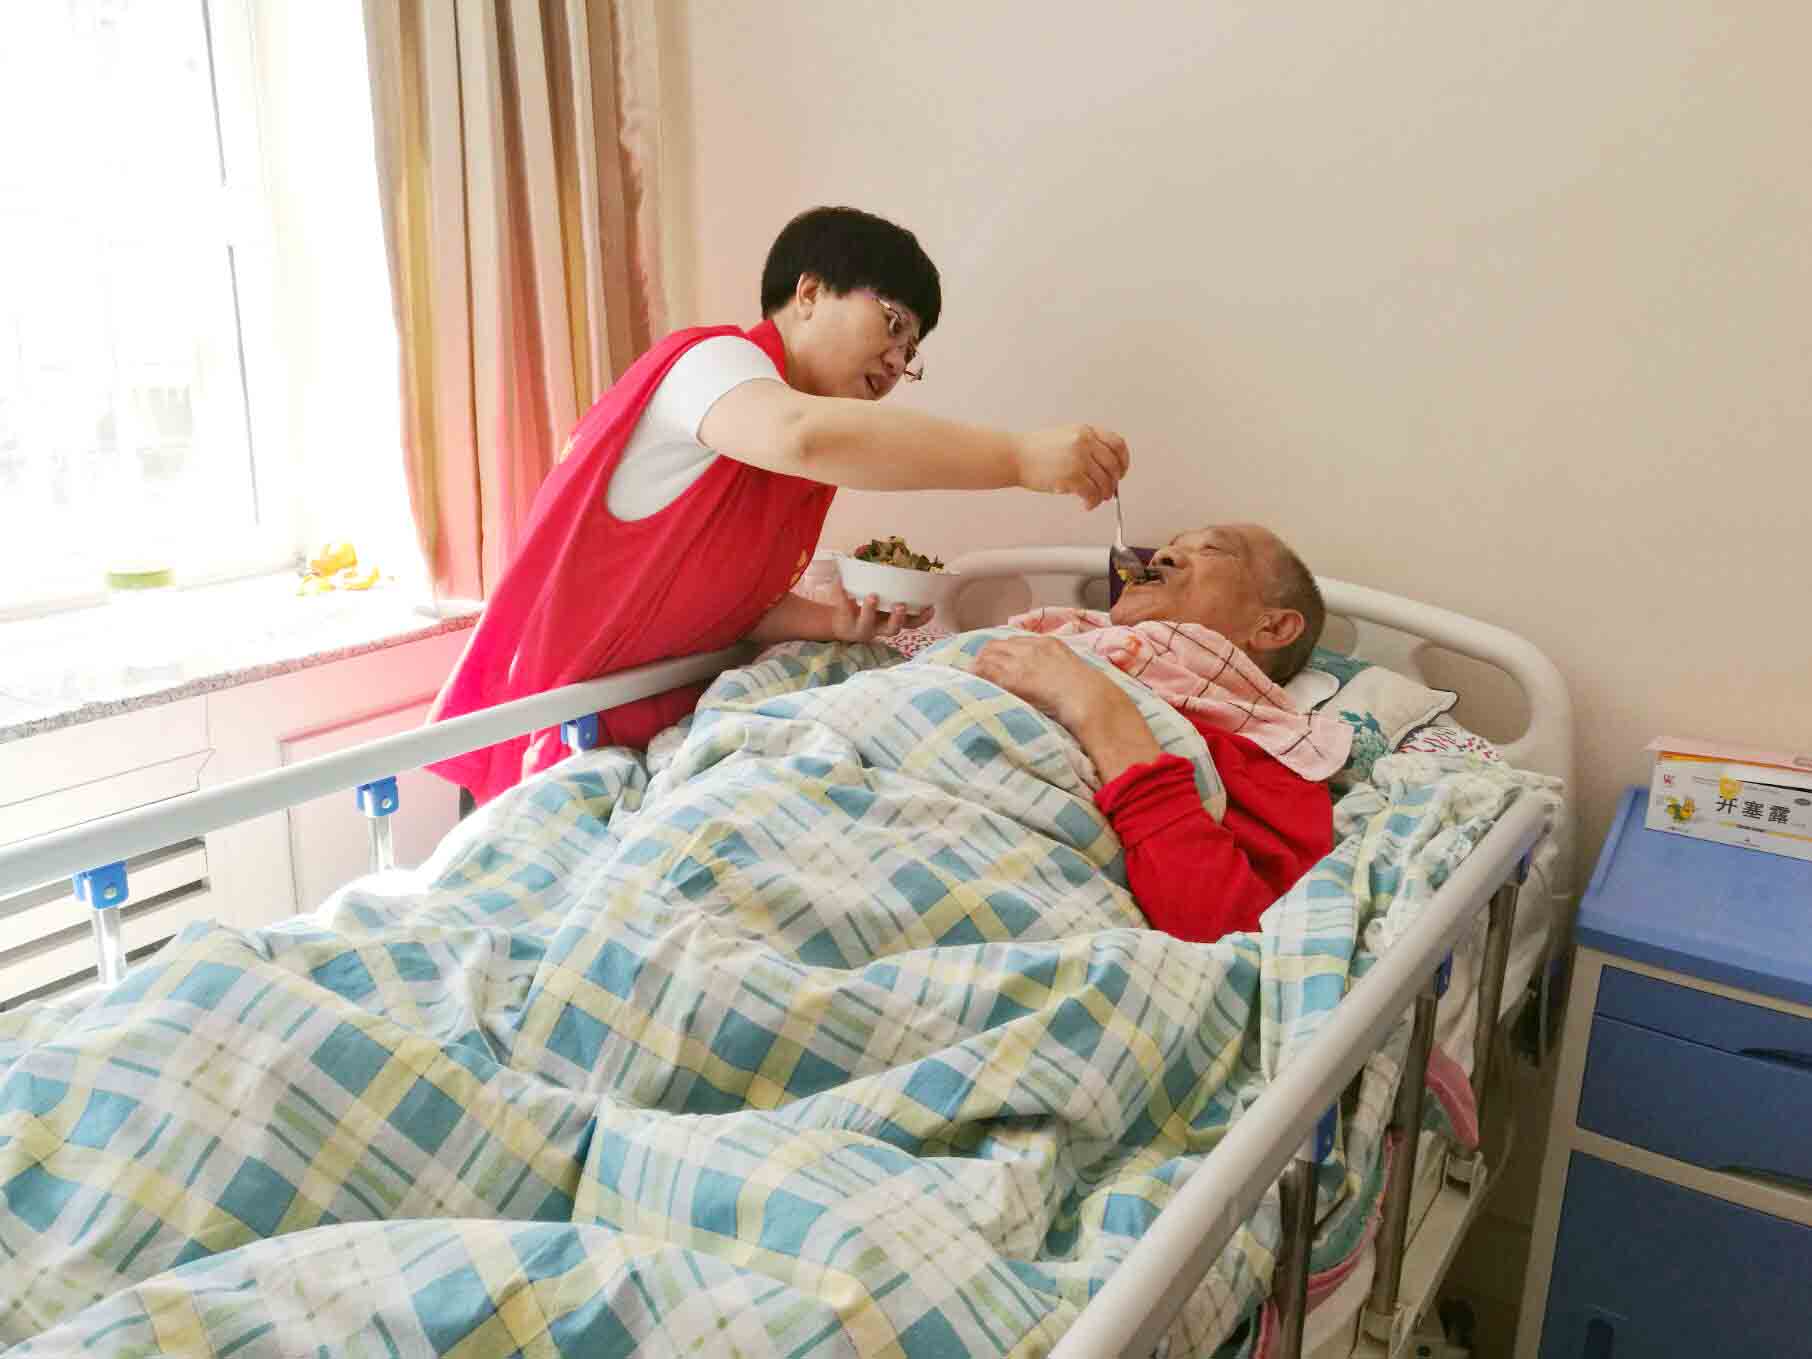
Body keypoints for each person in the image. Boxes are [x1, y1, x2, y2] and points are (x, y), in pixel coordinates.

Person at [427, 206, 1129, 807]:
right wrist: (1019, 458)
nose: (896, 361)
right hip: (538, 738)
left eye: (911, 350)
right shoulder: (710, 366)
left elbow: (717, 600)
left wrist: (832, 623)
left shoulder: (793, 460)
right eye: (892, 323)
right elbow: (803, 436)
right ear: (810, 292)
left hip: (621, 742)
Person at [974, 523, 1337, 943]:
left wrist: (1094, 704)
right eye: (1171, 545)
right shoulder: (1045, 640)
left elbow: (1230, 934)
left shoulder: (1277, 757)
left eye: (1212, 550)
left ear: (1272, 628)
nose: (1161, 555)